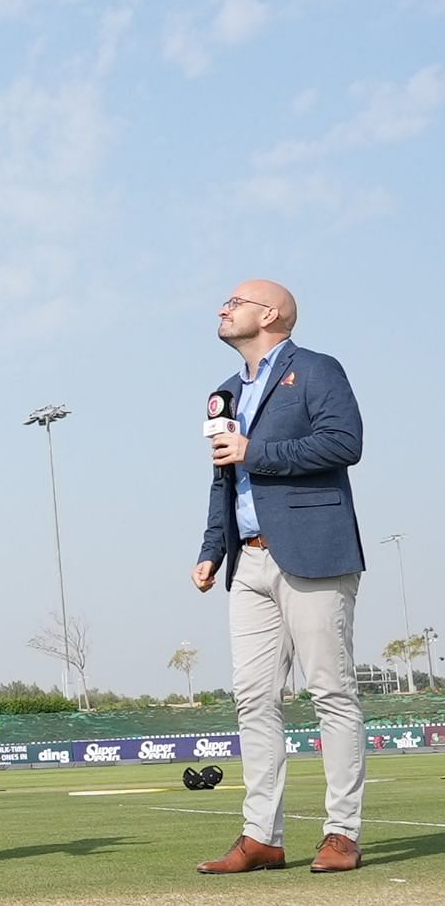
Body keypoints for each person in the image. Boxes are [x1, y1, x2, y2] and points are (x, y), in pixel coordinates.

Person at [191, 280, 367, 875]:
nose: (223, 307)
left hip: (315, 552)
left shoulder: (316, 369)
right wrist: (213, 547)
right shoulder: (222, 393)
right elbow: (223, 478)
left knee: (331, 693)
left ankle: (341, 833)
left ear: (270, 313)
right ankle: (261, 835)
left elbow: (345, 443)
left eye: (235, 300)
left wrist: (254, 452)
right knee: (253, 700)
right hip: (249, 563)